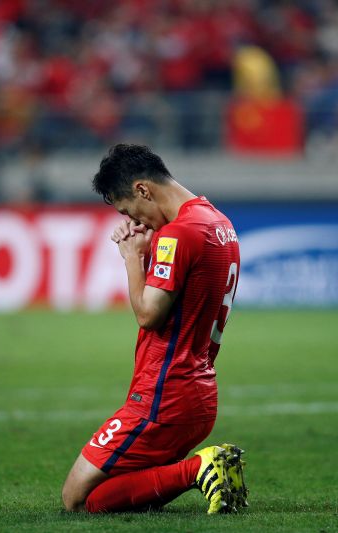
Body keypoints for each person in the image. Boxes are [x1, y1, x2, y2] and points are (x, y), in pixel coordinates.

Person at [61, 144, 248, 514]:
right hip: (199, 392)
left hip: (164, 395)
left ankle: (199, 469)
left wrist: (133, 258)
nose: (138, 223)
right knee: (105, 497)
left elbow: (149, 315)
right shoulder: (219, 223)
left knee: (76, 499)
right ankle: (200, 470)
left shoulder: (177, 233)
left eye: (129, 210)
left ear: (144, 189)